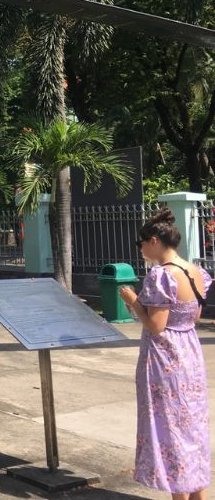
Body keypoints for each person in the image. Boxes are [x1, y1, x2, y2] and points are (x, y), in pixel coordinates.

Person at [120, 208, 212, 500]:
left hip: (165, 359)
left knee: (170, 428)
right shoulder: (194, 271)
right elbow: (193, 316)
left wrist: (134, 302)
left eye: (142, 242)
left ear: (155, 241)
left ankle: (180, 496)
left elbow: (157, 326)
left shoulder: (162, 275)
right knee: (191, 429)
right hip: (190, 355)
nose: (141, 248)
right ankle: (198, 494)